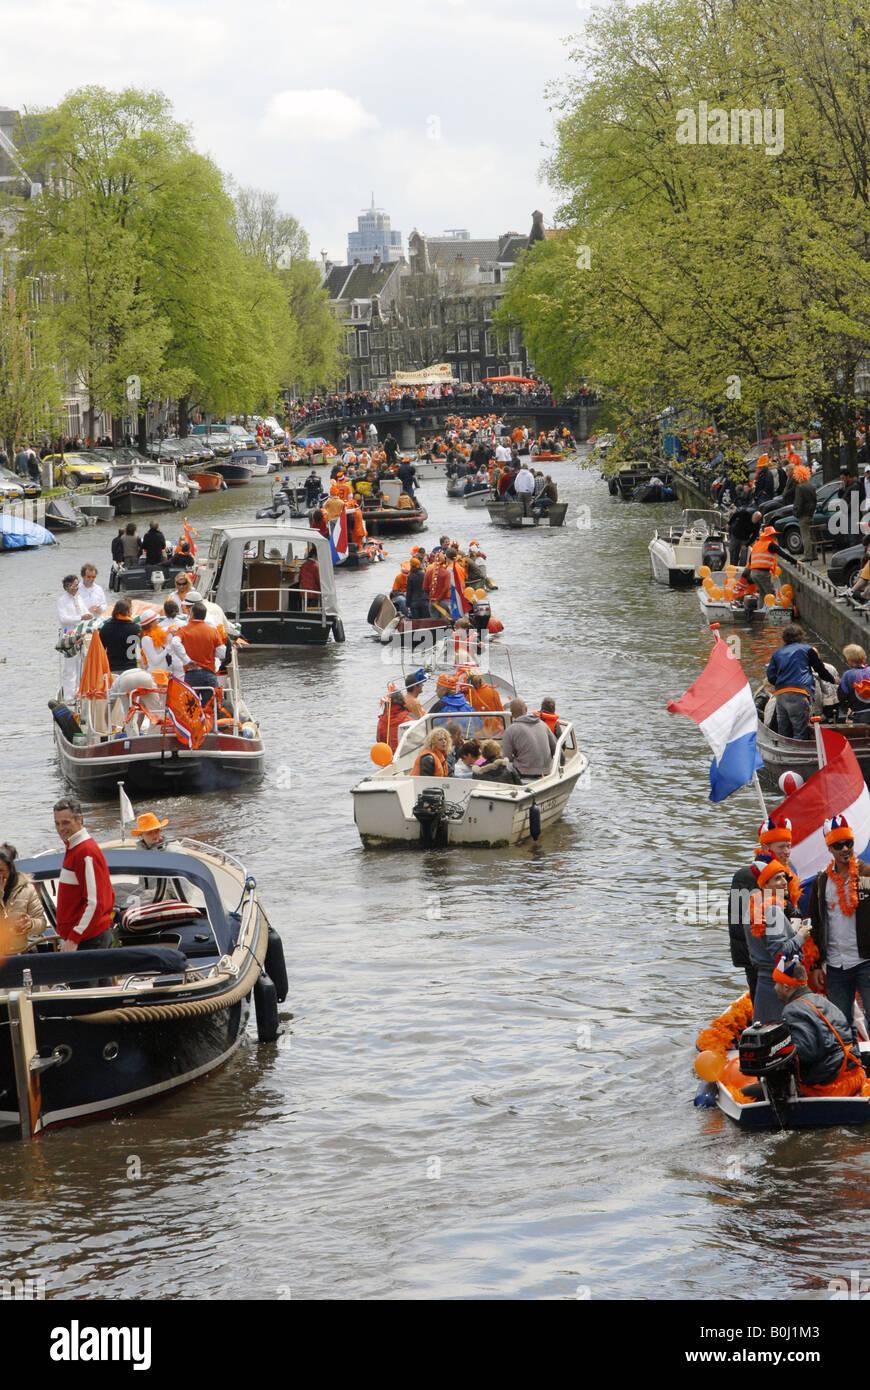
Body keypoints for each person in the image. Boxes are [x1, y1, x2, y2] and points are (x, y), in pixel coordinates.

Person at [807, 814, 870, 1044]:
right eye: (838, 845)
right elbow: (815, 923)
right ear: (830, 849)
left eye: (849, 843)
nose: (845, 849)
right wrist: (815, 965)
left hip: (865, 961)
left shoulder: (866, 874)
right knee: (840, 1025)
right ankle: (850, 1068)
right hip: (835, 966)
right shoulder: (821, 882)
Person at [728, 818, 801, 1003]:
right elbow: (738, 921)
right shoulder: (746, 876)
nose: (787, 851)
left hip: (783, 950)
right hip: (759, 959)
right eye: (781, 847)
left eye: (789, 846)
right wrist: (753, 959)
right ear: (767, 848)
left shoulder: (787, 874)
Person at [772, 956, 868, 1097]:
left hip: (831, 1086)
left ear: (786, 987)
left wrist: (777, 1055)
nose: (774, 988)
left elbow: (805, 1053)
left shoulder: (793, 1009)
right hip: (855, 1075)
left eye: (776, 983)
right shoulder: (823, 1000)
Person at [744, 859, 812, 1022]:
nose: (784, 883)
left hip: (764, 984)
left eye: (784, 877)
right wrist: (800, 936)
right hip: (779, 986)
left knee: (767, 1033)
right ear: (765, 885)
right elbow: (780, 953)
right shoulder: (773, 910)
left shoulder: (754, 905)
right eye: (777, 879)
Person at [52, 798, 115, 952]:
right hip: (89, 938)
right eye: (57, 823)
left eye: (65, 822)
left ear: (79, 819)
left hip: (89, 941)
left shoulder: (85, 852)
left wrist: (74, 938)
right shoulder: (76, 848)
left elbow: (95, 902)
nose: (61, 828)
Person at [765, 623, 831, 741]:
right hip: (799, 692)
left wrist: (781, 683)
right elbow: (820, 670)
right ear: (801, 636)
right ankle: (799, 754)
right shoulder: (808, 650)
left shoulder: (777, 653)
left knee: (783, 729)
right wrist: (833, 680)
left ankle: (784, 752)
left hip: (781, 694)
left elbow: (770, 676)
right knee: (800, 729)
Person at [0, 844, 47, 953]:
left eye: (1, 870)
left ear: (11, 869)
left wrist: (30, 924)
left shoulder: (27, 889)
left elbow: (42, 924)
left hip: (18, 952)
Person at [178, 600, 225, 706]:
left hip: (191, 674)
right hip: (209, 674)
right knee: (211, 706)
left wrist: (187, 660)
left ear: (192, 614)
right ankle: (210, 722)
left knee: (190, 708)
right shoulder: (213, 631)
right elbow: (222, 653)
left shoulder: (183, 630)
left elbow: (175, 643)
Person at [500, 699, 556, 779]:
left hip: (523, 773)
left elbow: (506, 758)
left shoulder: (510, 730)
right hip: (547, 772)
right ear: (526, 710)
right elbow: (556, 749)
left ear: (512, 714)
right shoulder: (543, 725)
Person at [100, 597, 140, 673]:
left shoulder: (106, 628)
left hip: (113, 668)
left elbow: (101, 649)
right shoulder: (136, 628)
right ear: (128, 612)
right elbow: (139, 650)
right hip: (132, 669)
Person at [747, 524, 787, 597]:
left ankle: (760, 608)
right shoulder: (771, 545)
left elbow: (750, 559)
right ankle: (769, 608)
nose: (774, 537)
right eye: (773, 535)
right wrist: (795, 561)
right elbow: (783, 554)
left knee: (762, 593)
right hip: (763, 573)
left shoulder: (757, 544)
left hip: (753, 573)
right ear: (770, 535)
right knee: (770, 594)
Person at [838, 644, 870, 724]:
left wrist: (846, 708)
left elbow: (842, 695)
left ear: (850, 660)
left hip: (860, 714)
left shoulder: (848, 675)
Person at [792, 465, 817, 561]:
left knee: (805, 535)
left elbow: (799, 502)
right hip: (811, 514)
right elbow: (815, 500)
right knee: (812, 535)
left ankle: (808, 555)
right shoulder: (811, 486)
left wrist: (796, 512)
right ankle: (814, 554)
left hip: (803, 515)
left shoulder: (800, 487)